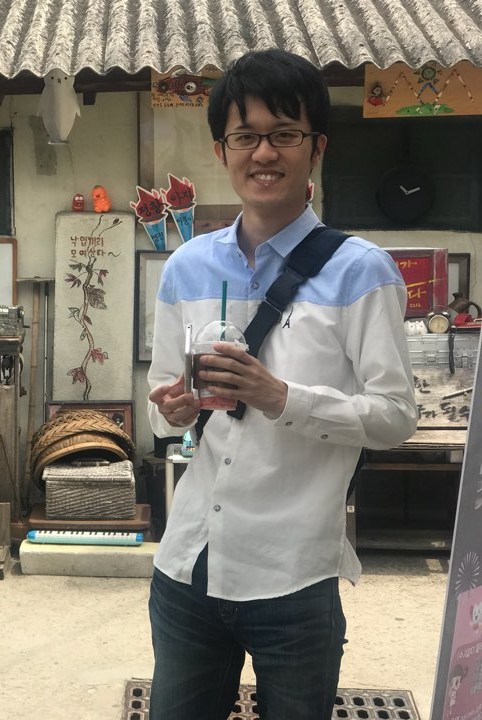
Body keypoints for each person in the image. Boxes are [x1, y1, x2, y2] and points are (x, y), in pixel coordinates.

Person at [145, 49, 418, 719]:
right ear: (222, 150)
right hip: (188, 567)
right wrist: (173, 410)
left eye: (284, 134)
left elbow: (395, 417)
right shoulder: (186, 267)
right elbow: (160, 408)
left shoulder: (362, 272)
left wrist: (281, 398)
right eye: (245, 136)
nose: (263, 153)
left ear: (316, 147)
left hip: (293, 575)